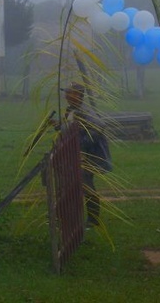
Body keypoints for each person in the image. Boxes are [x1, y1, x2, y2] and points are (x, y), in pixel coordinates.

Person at [59, 82, 112, 228]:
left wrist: (82, 143)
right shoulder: (71, 110)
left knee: (86, 184)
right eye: (67, 92)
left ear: (79, 96)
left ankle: (93, 219)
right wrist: (59, 126)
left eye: (71, 93)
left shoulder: (84, 111)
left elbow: (99, 126)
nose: (67, 95)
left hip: (90, 156)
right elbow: (71, 128)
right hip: (79, 155)